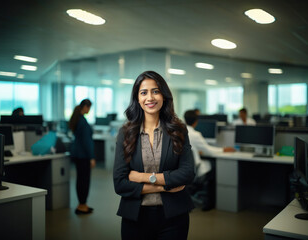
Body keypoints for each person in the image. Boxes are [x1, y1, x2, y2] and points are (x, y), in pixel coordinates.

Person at [113, 71, 195, 240]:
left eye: (155, 91)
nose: (150, 97)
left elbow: (187, 173)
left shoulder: (178, 130)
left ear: (164, 95)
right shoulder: (125, 133)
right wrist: (164, 185)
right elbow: (120, 184)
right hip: (135, 217)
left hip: (173, 217)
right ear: (137, 98)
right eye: (144, 92)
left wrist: (142, 177)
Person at [184, 110, 235, 210]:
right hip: (195, 170)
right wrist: (223, 149)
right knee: (214, 166)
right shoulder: (195, 134)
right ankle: (209, 203)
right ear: (196, 122)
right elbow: (209, 151)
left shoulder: (180, 131)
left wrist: (195, 152)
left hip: (184, 170)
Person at [69, 99, 96, 215]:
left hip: (77, 155)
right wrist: (92, 157)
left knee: (80, 180)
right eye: (89, 107)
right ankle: (81, 205)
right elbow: (87, 142)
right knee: (84, 181)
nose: (89, 110)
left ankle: (82, 204)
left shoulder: (77, 119)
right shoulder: (83, 122)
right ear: (85, 107)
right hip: (84, 156)